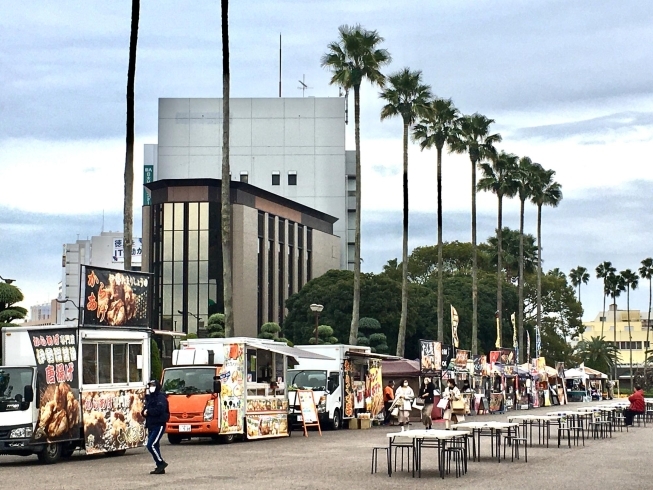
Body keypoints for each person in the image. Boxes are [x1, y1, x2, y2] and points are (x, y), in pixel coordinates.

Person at [143, 379, 170, 474]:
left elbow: (160, 410)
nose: (151, 387)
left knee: (150, 445)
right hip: (151, 424)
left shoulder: (161, 398)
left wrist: (149, 411)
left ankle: (160, 462)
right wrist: (144, 412)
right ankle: (160, 467)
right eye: (150, 385)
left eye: (153, 385)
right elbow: (145, 409)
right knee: (155, 445)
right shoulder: (149, 398)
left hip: (159, 424)